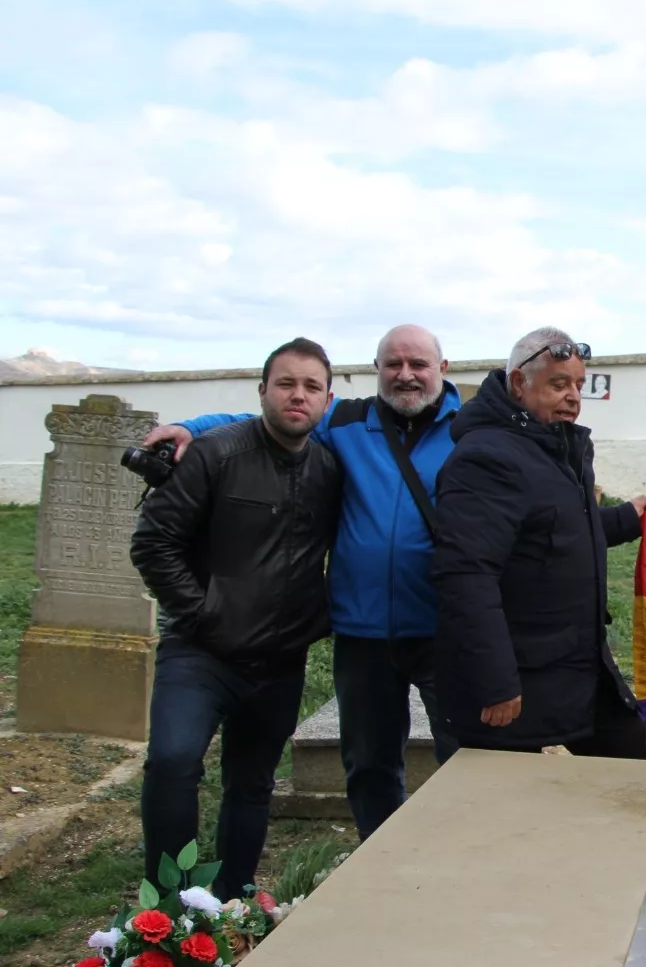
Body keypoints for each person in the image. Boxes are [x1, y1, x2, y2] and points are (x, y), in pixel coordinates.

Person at [141, 325, 462, 841]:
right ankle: (381, 862)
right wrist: (189, 427)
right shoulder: (347, 419)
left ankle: (458, 862)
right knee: (370, 764)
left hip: (444, 625)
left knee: (462, 755)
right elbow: (262, 423)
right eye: (393, 364)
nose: (406, 375)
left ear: (442, 370)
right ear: (376, 369)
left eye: (418, 364)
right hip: (364, 631)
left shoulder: (469, 429)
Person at [130, 338, 342, 898]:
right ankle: (169, 910)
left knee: (251, 785)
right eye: (286, 383)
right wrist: (202, 615)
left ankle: (229, 900)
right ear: (263, 391)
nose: (298, 395)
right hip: (201, 652)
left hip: (279, 660)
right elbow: (155, 542)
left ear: (327, 399)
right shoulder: (215, 454)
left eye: (311, 387)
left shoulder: (329, 468)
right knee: (174, 763)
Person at [432, 327, 646, 753]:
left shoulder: (553, 447)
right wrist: (494, 680)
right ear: (519, 383)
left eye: (578, 385)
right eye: (558, 384)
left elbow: (556, 531)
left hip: (576, 670)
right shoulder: (488, 457)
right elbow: (465, 574)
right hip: (520, 687)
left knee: (626, 751)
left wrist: (628, 518)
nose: (573, 396)